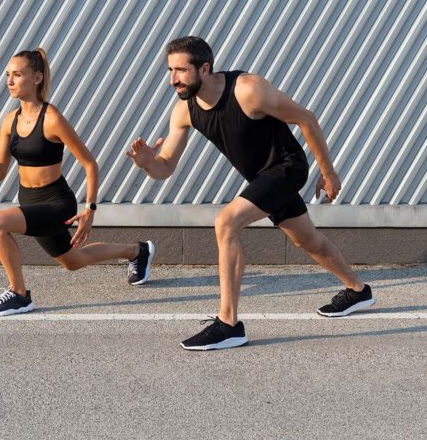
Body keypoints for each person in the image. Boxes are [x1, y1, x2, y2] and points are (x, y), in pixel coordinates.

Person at [126, 36, 374, 350]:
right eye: (170, 70)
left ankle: (228, 324)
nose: (172, 78)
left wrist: (328, 172)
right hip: (262, 178)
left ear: (204, 68)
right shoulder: (184, 110)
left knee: (226, 222)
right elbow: (166, 167)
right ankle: (358, 290)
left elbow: (305, 118)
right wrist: (148, 162)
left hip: (288, 166)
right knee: (307, 240)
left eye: (180, 70)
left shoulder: (247, 89)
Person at [0, 48, 155, 316]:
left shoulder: (52, 118)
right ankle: (138, 251)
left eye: (17, 74)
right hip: (29, 201)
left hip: (55, 203)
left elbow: (90, 164)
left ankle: (19, 294)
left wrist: (90, 209)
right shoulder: (10, 121)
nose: (10, 81)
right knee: (73, 261)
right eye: (8, 75)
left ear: (37, 78)